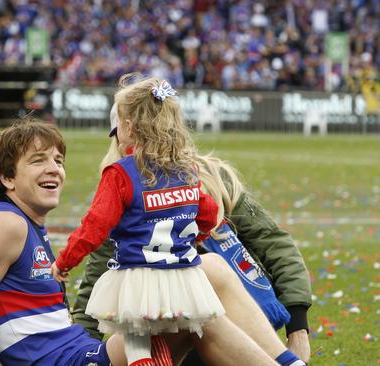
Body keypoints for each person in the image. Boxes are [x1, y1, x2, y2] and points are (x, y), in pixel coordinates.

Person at [0, 121, 280, 366]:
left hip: (85, 353)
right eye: (38, 161)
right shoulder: (5, 225)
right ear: (7, 178)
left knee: (200, 301)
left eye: (58, 160)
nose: (54, 169)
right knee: (200, 305)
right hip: (78, 360)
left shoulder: (19, 224)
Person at [72, 102, 311, 365]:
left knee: (208, 271)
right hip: (177, 334)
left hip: (245, 325)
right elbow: (93, 289)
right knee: (200, 280)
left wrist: (298, 327)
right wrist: (85, 355)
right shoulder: (121, 195)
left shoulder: (214, 179)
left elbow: (275, 245)